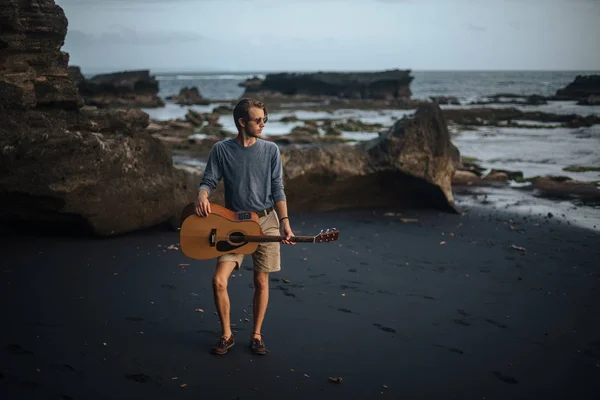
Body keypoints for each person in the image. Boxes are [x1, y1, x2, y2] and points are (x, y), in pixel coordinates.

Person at [195, 98, 295, 356]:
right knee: (219, 280)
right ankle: (226, 335)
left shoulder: (271, 150)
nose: (262, 124)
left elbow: (277, 189)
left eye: (265, 119)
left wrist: (284, 222)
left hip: (266, 221)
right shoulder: (221, 150)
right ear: (242, 122)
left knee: (261, 281)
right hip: (233, 223)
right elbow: (209, 179)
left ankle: (256, 335)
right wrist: (202, 194)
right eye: (258, 120)